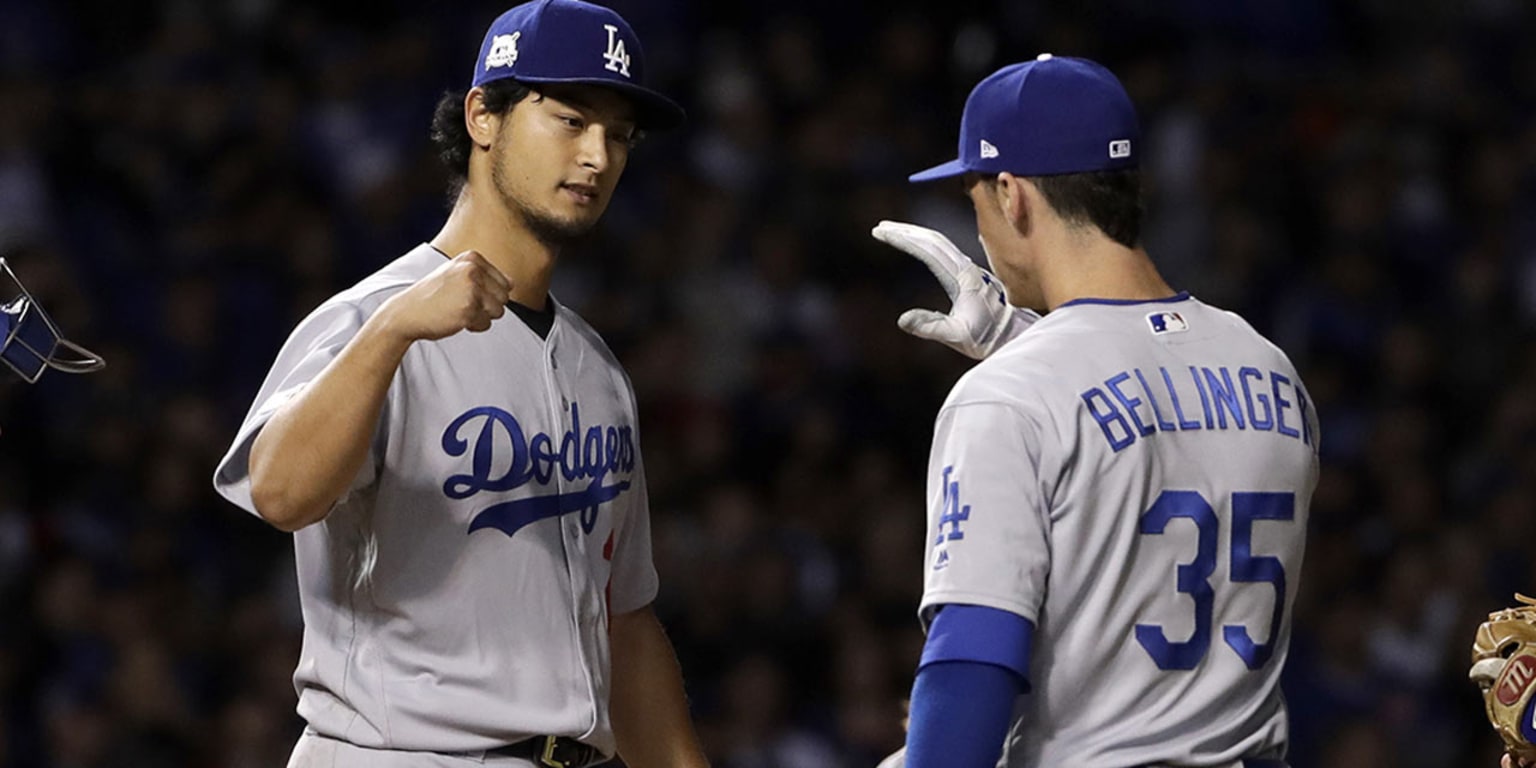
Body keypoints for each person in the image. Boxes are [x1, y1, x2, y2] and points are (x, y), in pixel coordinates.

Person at [211, 2, 708, 767]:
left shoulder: (598, 368)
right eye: (571, 119)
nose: (598, 155)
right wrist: (392, 334)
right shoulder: (371, 319)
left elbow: (627, 620)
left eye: (620, 135)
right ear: (483, 116)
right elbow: (280, 495)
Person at [871, 54, 1320, 767]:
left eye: (975, 197)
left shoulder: (1008, 396)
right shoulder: (1271, 368)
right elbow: (1164, 416)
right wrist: (1027, 344)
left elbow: (974, 663)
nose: (980, 223)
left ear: (1012, 194)